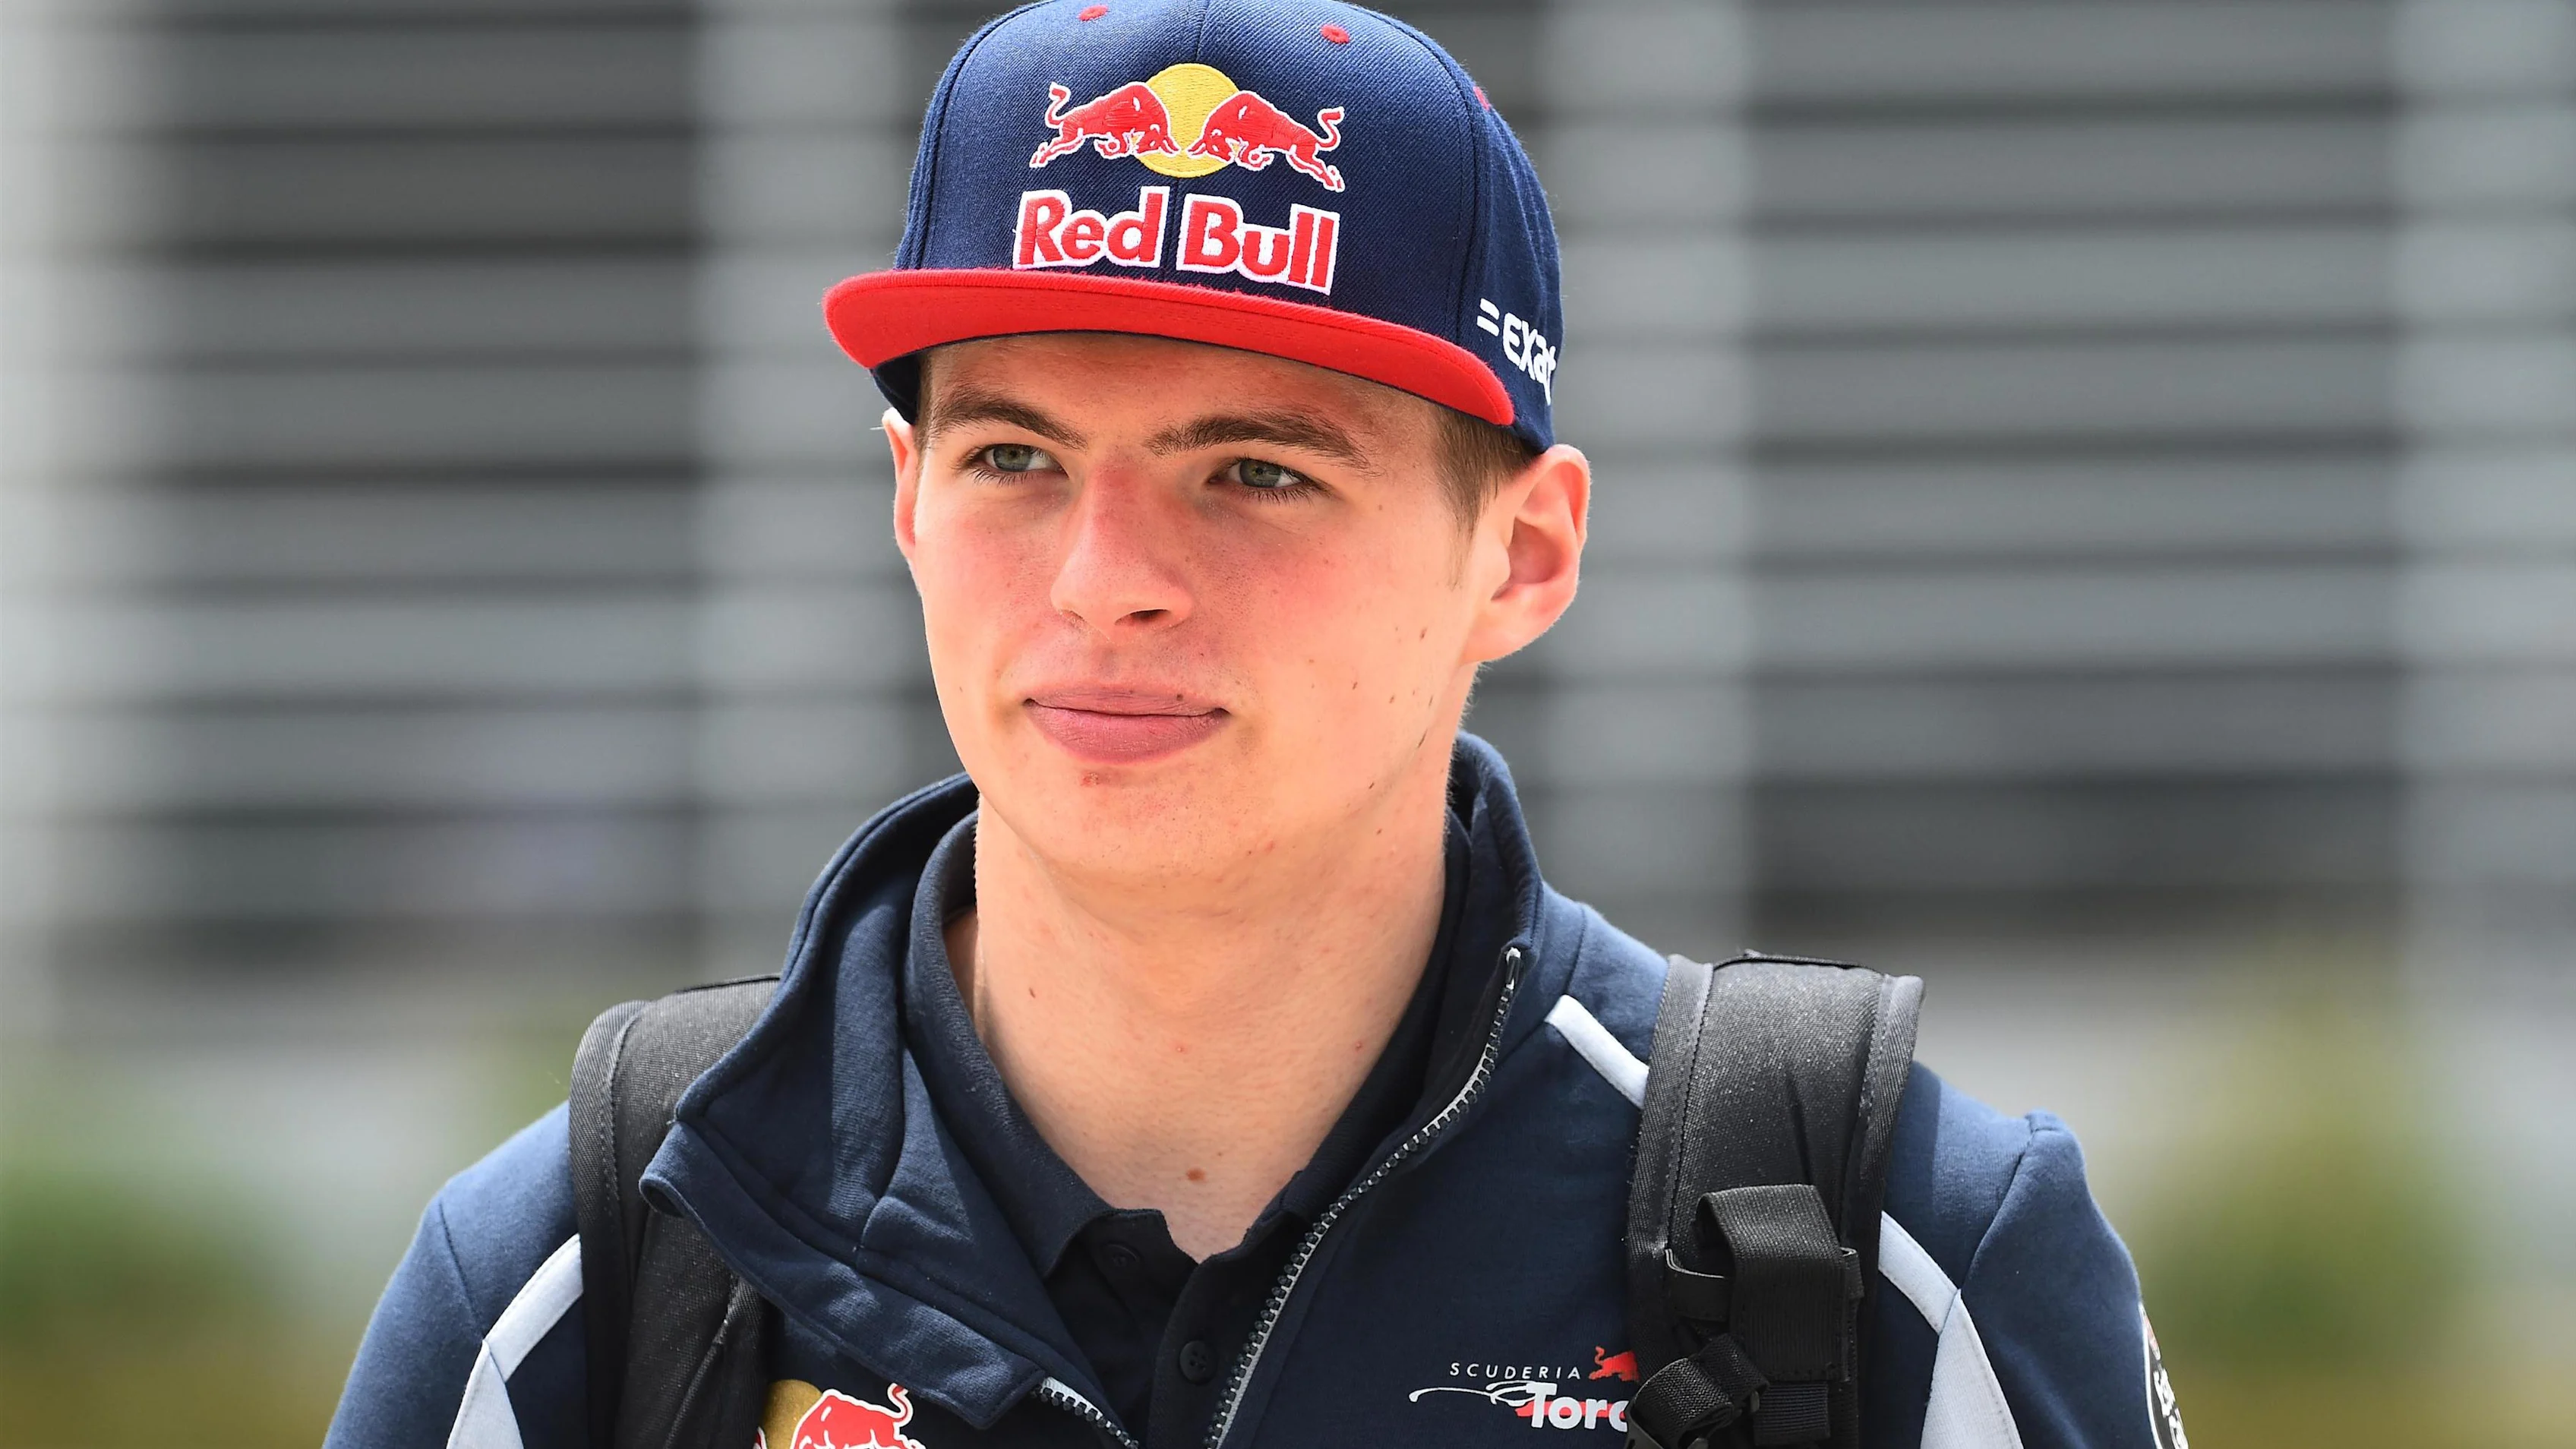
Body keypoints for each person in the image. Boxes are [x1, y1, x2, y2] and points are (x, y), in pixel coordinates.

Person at [327, 4, 2183, 1447]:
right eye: (1013, 458)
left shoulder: (1873, 1252)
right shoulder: (592, 1271)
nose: (1103, 579)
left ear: (1522, 554)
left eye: (1257, 470)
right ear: (904, 503)